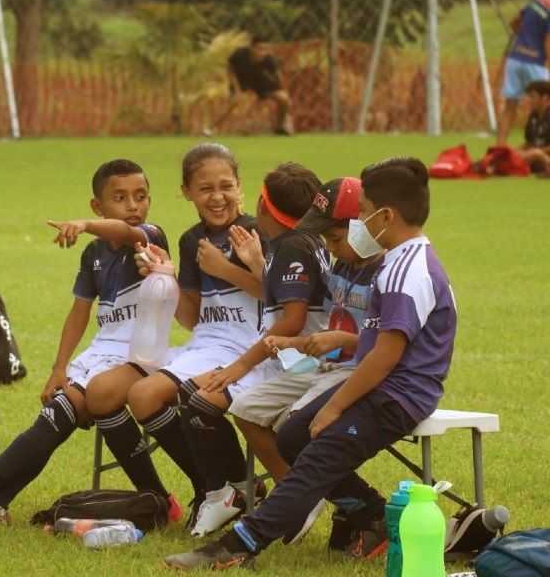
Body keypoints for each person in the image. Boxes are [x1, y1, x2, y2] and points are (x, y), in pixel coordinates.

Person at [164, 157, 458, 570]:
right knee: (293, 438)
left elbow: (384, 357)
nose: (359, 220)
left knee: (317, 456)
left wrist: (334, 407)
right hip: (382, 384)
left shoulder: (406, 272)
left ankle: (235, 546)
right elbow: (374, 348)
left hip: (399, 394)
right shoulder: (398, 261)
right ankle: (372, 513)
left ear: (386, 216)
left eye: (362, 212)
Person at [0, 159, 175, 527]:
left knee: (91, 399)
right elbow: (79, 314)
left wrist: (84, 225)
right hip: (105, 354)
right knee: (55, 412)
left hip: (142, 355)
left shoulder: (148, 237)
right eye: (120, 198)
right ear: (99, 204)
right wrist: (59, 368)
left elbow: (126, 232)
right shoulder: (93, 254)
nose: (133, 206)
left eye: (140, 196)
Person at [83, 143, 264, 533]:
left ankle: (232, 487)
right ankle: (215, 488)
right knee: (142, 394)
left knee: (180, 395)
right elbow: (192, 317)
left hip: (252, 345)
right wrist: (164, 276)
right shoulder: (189, 240)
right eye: (205, 189)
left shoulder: (255, 231)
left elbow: (280, 299)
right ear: (186, 192)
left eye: (226, 186)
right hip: (207, 342)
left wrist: (226, 269)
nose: (217, 197)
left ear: (239, 186)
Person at [178, 163, 328, 538]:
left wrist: (241, 365)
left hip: (300, 363)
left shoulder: (293, 246)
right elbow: (285, 298)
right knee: (195, 395)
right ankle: (227, 493)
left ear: (261, 204)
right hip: (295, 360)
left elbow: (292, 320)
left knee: (207, 401)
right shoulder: (297, 242)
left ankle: (291, 495)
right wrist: (259, 265)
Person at [230, 177, 383, 491]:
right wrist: (292, 345)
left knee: (296, 426)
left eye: (336, 238)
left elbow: (388, 346)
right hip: (327, 368)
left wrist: (339, 341)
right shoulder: (342, 267)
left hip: (361, 374)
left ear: (363, 226)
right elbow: (331, 327)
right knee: (245, 408)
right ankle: (293, 490)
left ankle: (308, 497)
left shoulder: (387, 274)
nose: (329, 247)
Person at [497, 0, 550, 146]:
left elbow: (514, 23)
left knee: (510, 106)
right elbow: (548, 41)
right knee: (546, 103)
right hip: (535, 63)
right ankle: (543, 144)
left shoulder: (537, 0)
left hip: (515, 59)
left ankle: (498, 149)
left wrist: (525, 40)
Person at [212, 37, 292, 136]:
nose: (262, 52)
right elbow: (230, 68)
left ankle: (280, 126)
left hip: (259, 81)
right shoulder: (240, 54)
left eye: (266, 49)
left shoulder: (270, 60)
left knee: (284, 99)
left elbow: (279, 77)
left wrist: (283, 92)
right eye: (259, 48)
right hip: (241, 80)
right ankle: (212, 128)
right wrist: (237, 89)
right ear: (251, 48)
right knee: (235, 102)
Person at [518, 80, 550, 175]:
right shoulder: (533, 116)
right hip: (536, 156)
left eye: (532, 97)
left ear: (545, 98)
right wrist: (515, 151)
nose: (528, 100)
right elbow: (529, 142)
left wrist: (538, 152)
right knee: (508, 155)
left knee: (535, 153)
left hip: (542, 155)